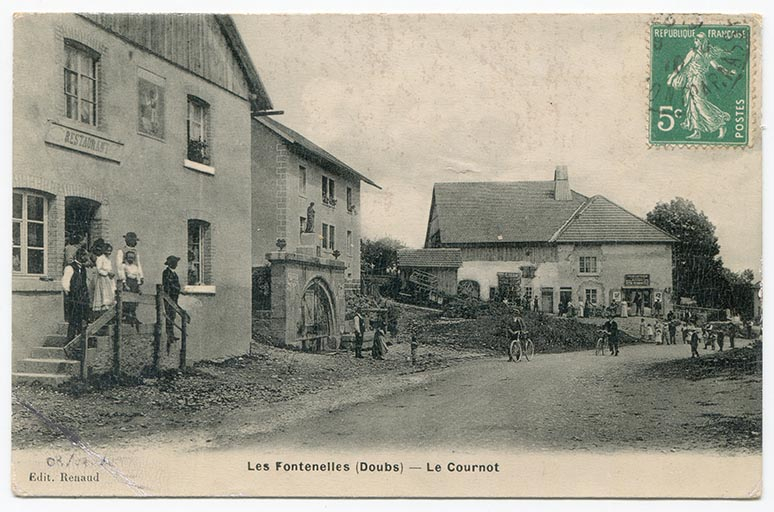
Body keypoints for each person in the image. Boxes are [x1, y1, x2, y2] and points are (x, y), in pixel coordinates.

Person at [667, 32, 736, 140]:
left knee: (700, 105)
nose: (695, 42)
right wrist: (672, 77)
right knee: (692, 106)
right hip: (691, 81)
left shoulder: (705, 54)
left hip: (698, 81)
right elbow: (683, 65)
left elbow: (716, 66)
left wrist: (727, 72)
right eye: (695, 40)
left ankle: (720, 124)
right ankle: (697, 131)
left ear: (701, 42)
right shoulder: (694, 53)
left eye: (696, 40)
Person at [61, 247, 90, 343]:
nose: (87, 257)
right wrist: (69, 295)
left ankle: (80, 342)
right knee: (73, 320)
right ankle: (70, 341)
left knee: (83, 320)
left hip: (82, 298)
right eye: (85, 255)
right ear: (80, 256)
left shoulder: (83, 268)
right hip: (74, 298)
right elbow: (65, 282)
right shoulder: (70, 267)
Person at [119, 250, 142, 328]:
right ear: (126, 257)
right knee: (127, 301)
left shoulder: (135, 267)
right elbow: (122, 275)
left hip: (134, 284)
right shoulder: (124, 266)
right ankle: (127, 317)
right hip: (128, 282)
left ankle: (133, 317)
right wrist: (125, 285)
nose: (130, 259)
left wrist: (138, 286)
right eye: (129, 257)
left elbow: (138, 276)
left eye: (132, 257)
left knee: (134, 301)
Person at [91, 242, 116, 314]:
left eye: (110, 251)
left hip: (109, 279)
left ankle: (109, 311)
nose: (109, 252)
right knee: (104, 294)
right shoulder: (100, 258)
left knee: (111, 293)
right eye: (107, 250)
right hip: (103, 279)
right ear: (104, 250)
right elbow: (99, 270)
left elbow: (109, 268)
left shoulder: (108, 259)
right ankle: (102, 310)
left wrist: (111, 273)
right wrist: (107, 273)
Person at [162, 255, 182, 343]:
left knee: (172, 315)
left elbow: (177, 285)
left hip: (174, 298)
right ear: (171, 263)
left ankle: (171, 334)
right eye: (175, 263)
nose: (176, 265)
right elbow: (168, 284)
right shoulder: (166, 273)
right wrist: (176, 289)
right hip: (168, 297)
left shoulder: (175, 274)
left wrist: (178, 289)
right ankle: (169, 335)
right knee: (169, 315)